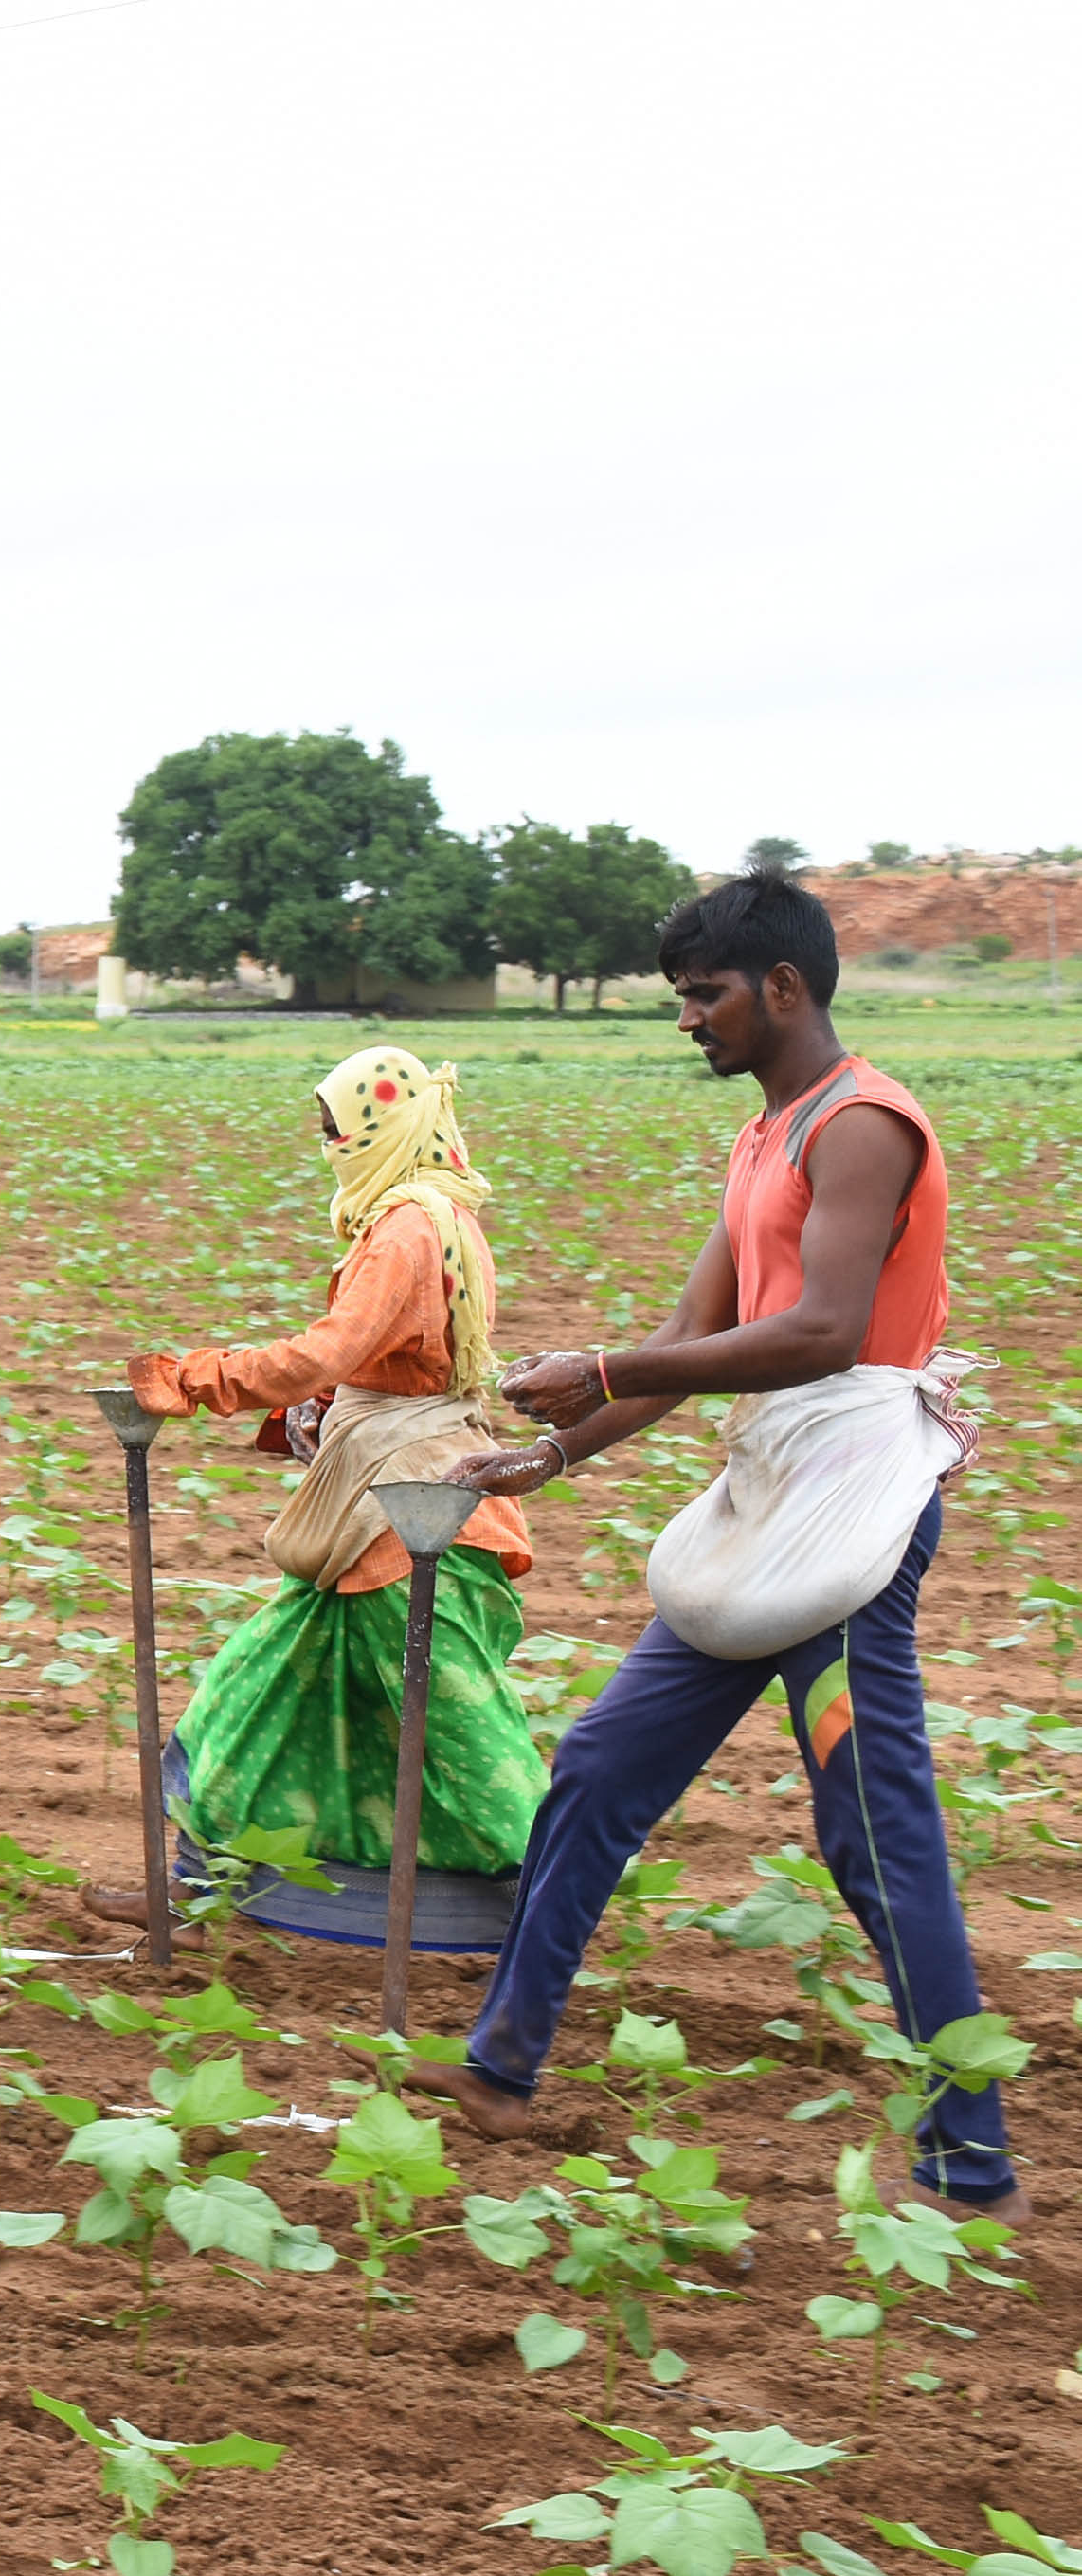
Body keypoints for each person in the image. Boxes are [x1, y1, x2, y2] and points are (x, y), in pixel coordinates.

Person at [407, 869, 1015, 2219]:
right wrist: (549, 1451)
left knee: (874, 1835)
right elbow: (688, 1355)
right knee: (599, 1772)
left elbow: (824, 1334)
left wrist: (606, 1361)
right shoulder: (764, 1139)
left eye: (704, 994)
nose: (687, 1019)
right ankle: (502, 2067)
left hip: (853, 1521)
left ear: (781, 988)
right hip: (765, 1511)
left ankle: (969, 2163)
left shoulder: (861, 1127)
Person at [83, 1047, 546, 1925]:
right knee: (251, 1694)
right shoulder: (430, 1218)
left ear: (381, 1128)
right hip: (379, 1504)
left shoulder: (409, 1228)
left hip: (408, 1514)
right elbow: (391, 1366)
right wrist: (321, 1415)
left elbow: (327, 1352)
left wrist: (196, 1377)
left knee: (462, 1738)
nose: (329, 1148)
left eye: (337, 1132)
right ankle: (198, 1881)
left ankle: (556, 1901)